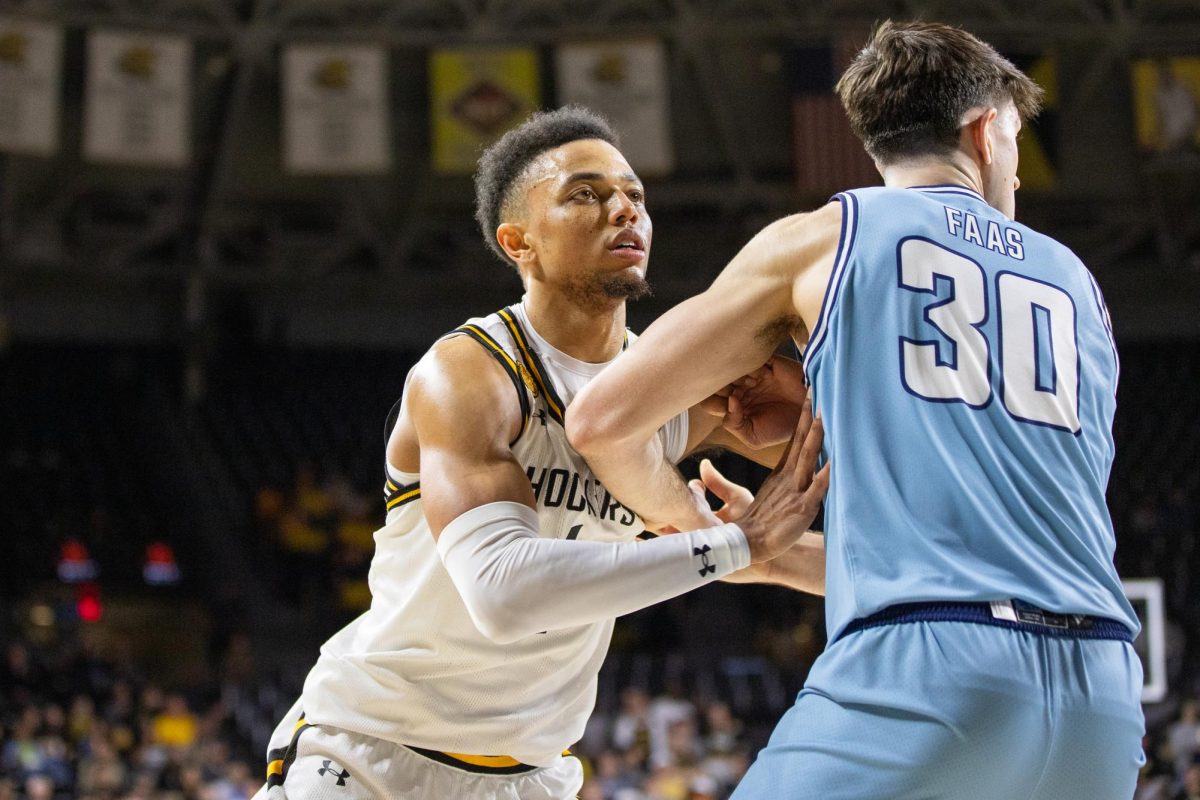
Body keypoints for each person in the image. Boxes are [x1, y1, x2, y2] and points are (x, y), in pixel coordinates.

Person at [567, 20, 1145, 799]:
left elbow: (601, 420)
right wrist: (772, 556)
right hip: (1100, 698)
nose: (1017, 171)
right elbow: (1004, 557)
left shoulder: (825, 239)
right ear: (984, 131)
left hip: (929, 677)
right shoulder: (1077, 284)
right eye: (1014, 139)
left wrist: (711, 540)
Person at [252, 106, 828, 800]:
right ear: (518, 241)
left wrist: (808, 405)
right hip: (375, 753)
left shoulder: (677, 393)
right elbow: (505, 593)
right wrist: (734, 545)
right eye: (585, 194)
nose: (623, 210)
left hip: (530, 775)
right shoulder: (469, 375)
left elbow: (868, 480)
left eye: (634, 196)